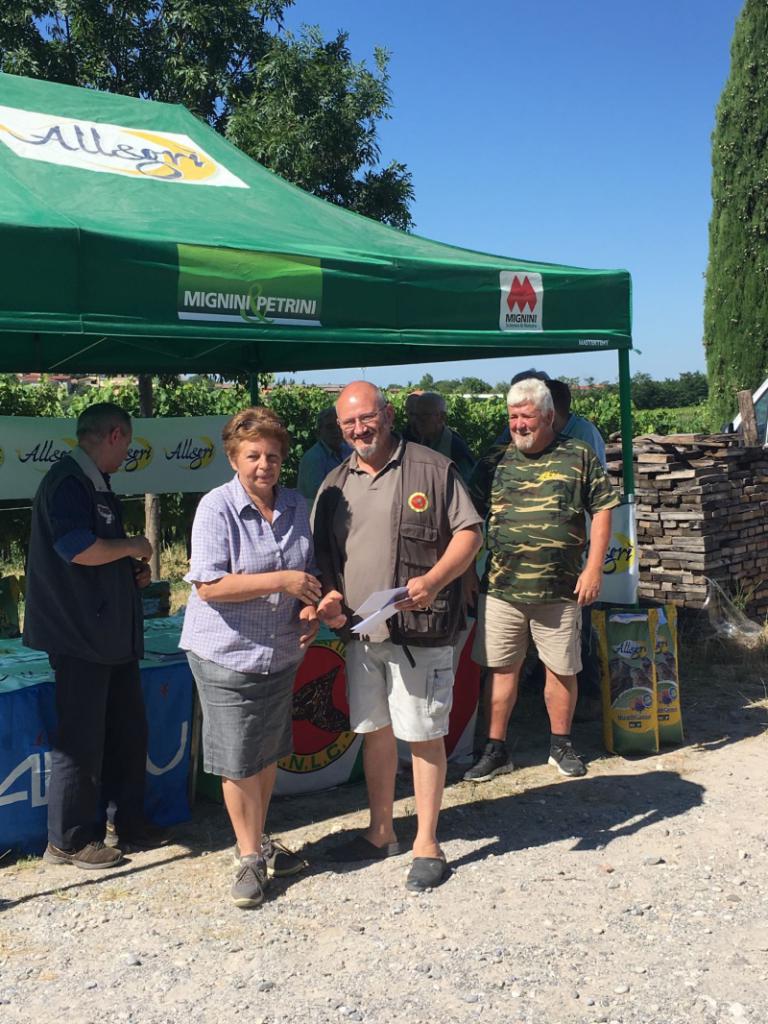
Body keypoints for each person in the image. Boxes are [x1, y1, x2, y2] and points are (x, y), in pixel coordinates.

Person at [312, 382, 483, 892]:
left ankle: (427, 843)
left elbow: (470, 533)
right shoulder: (333, 483)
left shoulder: (432, 468)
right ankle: (381, 831)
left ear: (387, 415)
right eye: (348, 423)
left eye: (366, 418)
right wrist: (328, 597)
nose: (358, 430)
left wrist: (434, 581)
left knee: (424, 734)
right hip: (362, 634)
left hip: (419, 633)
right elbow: (324, 557)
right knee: (376, 732)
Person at [180, 407, 338, 909]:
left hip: (281, 651)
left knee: (267, 751)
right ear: (234, 458)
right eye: (253, 456)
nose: (263, 464)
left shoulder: (295, 504)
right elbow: (209, 585)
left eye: (272, 455)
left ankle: (258, 837)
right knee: (238, 759)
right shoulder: (216, 507)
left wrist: (310, 605)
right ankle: (249, 856)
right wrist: (282, 581)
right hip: (226, 652)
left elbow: (308, 571)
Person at [23, 402, 158, 869]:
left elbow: (100, 553)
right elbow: (77, 548)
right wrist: (134, 545)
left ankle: (128, 823)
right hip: (79, 635)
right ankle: (68, 840)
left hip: (110, 634)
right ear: (115, 435)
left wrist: (130, 570)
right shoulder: (67, 481)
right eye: (127, 445)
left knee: (127, 731)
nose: (126, 455)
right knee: (81, 739)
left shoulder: (96, 482)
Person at [465, 377, 618, 782]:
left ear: (549, 416)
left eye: (526, 416)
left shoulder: (578, 455)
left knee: (561, 669)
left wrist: (593, 568)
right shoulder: (494, 460)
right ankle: (495, 749)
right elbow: (467, 517)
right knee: (501, 670)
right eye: (512, 416)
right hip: (502, 589)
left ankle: (561, 746)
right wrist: (465, 573)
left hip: (561, 588)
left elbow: (603, 509)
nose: (518, 424)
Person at [412, 391, 476, 483]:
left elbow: (467, 484)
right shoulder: (416, 442)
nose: (418, 420)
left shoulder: (456, 447)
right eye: (416, 415)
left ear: (442, 417)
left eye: (425, 415)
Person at [297, 406, 352, 505]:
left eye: (338, 425)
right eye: (330, 427)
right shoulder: (313, 458)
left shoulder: (349, 451)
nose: (336, 431)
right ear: (319, 432)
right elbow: (316, 494)